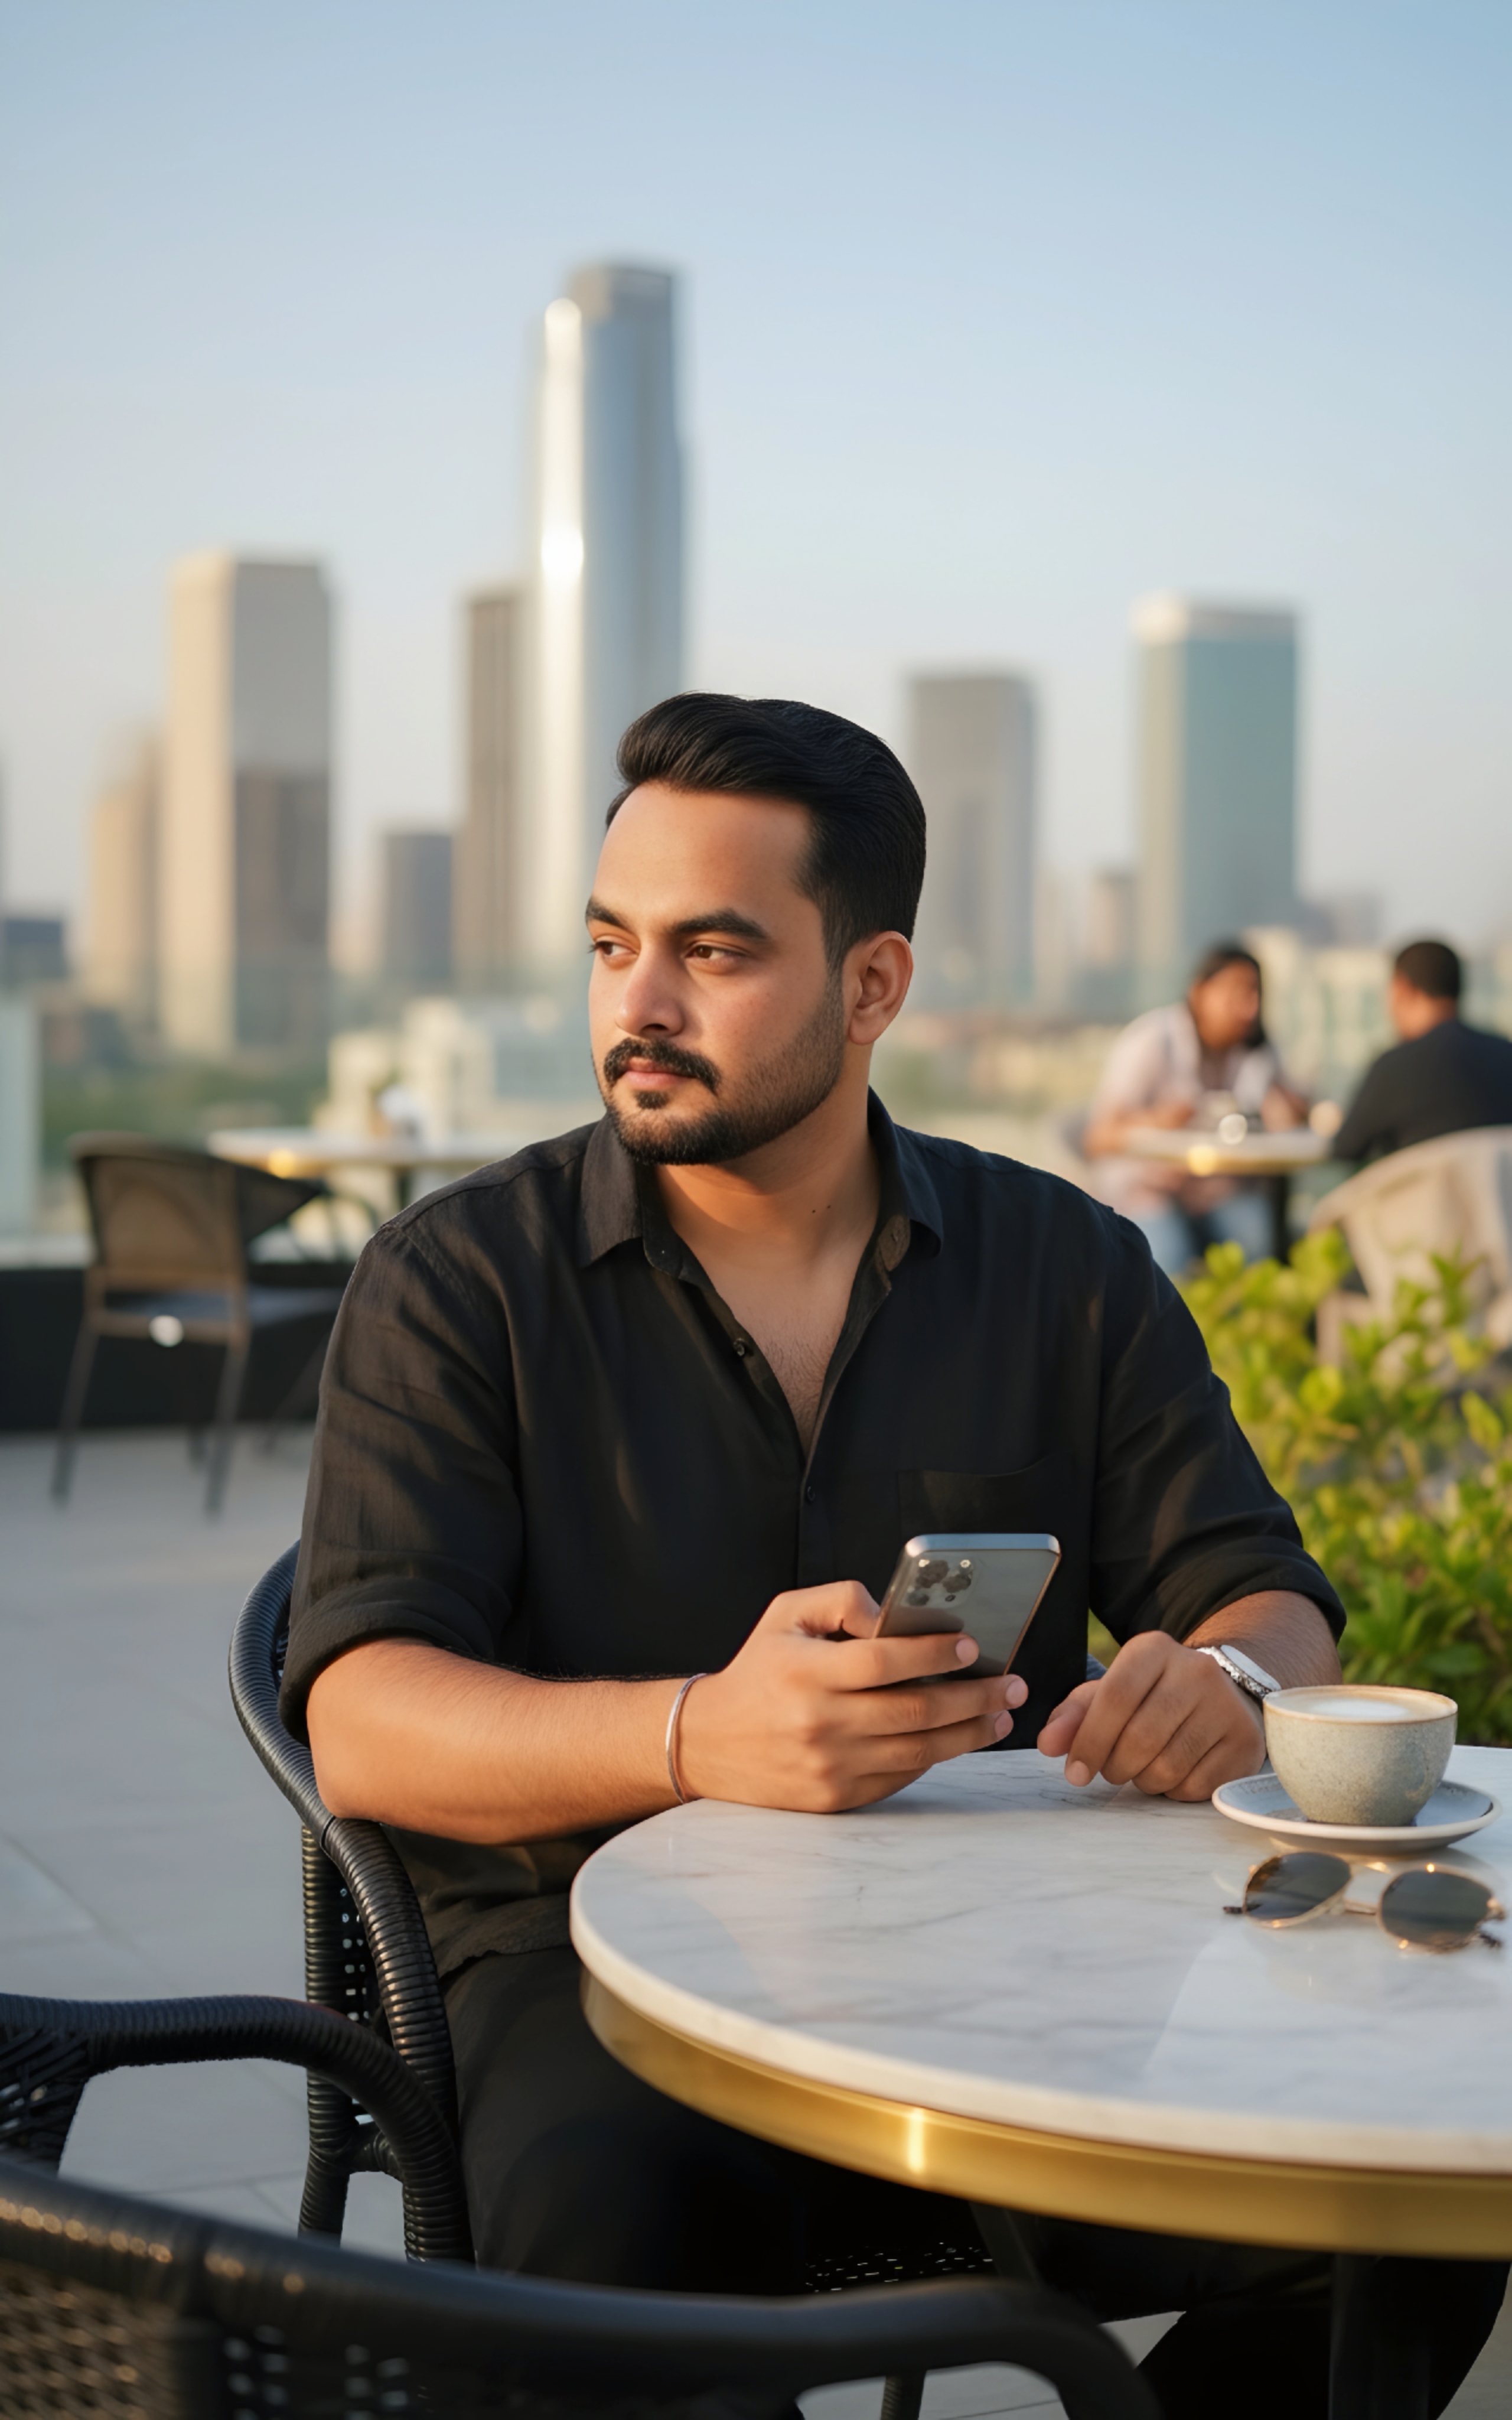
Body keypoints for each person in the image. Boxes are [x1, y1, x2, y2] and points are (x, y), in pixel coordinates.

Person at [284, 695, 1501, 2420]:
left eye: (712, 952)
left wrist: (1226, 1681)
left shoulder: (1063, 1267)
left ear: (871, 987)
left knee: (1402, 2202)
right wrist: (693, 1733)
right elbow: (364, 1718)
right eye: (612, 945)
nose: (636, 1004)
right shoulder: (458, 1280)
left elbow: (1266, 1592)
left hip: (1014, 1969)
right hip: (595, 1985)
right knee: (608, 2283)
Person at [1082, 943, 1309, 1276]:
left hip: (1219, 1189)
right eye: (1236, 992)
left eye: (1255, 994)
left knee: (1258, 1243)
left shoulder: (1256, 1048)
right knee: (1168, 1262)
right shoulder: (1152, 1039)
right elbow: (1097, 1138)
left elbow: (1296, 1108)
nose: (1249, 1007)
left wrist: (1288, 1108)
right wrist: (1157, 1121)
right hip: (1146, 1189)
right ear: (1200, 992)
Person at [1332, 936, 1512, 1165]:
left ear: (1403, 989)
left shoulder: (1394, 1068)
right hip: (1501, 1189)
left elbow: (1345, 1149)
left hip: (1418, 1189)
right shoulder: (1506, 1055)